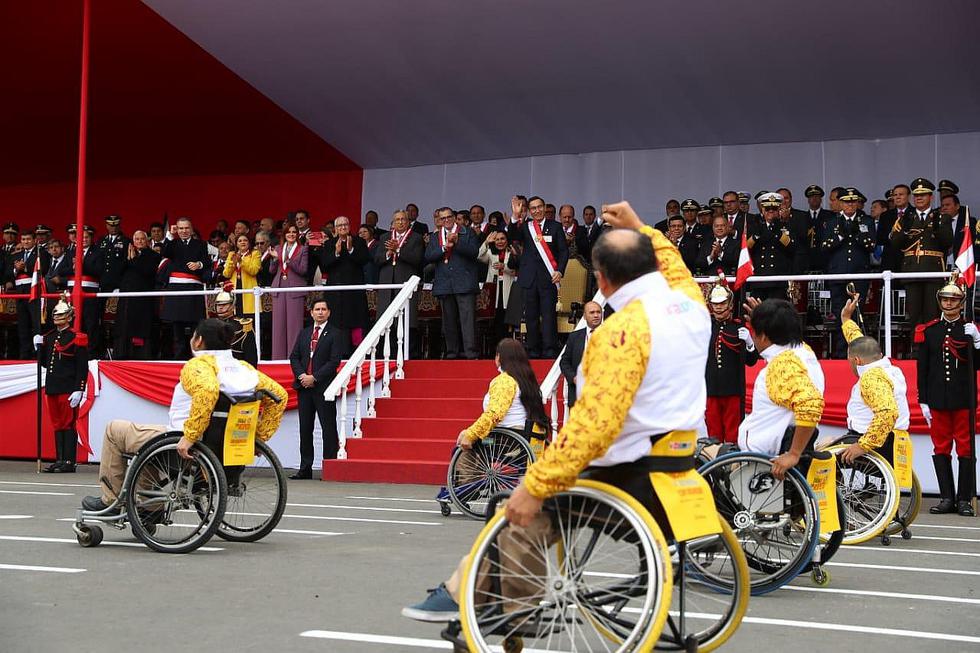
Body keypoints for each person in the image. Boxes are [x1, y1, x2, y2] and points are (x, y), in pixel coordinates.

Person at [402, 200, 715, 622]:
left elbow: (593, 425)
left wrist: (535, 484)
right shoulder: (692, 306)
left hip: (629, 468)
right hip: (679, 457)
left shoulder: (619, 332)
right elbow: (674, 265)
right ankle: (482, 592)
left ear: (601, 281)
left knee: (519, 508)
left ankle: (493, 599)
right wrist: (642, 227)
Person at [80, 318, 287, 512]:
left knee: (114, 430)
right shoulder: (244, 369)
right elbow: (279, 395)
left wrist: (190, 436)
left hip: (185, 444)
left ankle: (111, 500)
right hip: (226, 445)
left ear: (198, 341)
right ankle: (148, 507)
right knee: (146, 443)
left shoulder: (198, 366)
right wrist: (257, 437)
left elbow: (207, 391)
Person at [736, 298, 824, 477]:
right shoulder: (803, 352)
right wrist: (767, 318)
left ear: (763, 336)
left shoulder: (783, 365)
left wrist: (793, 454)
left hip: (763, 458)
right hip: (770, 448)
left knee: (704, 451)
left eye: (755, 333)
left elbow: (811, 404)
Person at [448, 338, 551, 487]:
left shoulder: (505, 381)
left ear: (500, 357)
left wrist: (470, 434)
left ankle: (464, 487)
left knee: (464, 444)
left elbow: (494, 414)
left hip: (504, 440)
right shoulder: (528, 381)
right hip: (524, 437)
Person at [915, 275, 977, 516]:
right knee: (941, 447)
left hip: (963, 398)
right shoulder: (930, 331)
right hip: (938, 398)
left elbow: (976, 365)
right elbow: (924, 368)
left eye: (953, 300)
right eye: (945, 299)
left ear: (962, 303)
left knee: (965, 448)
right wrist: (923, 399)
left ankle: (964, 499)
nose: (949, 304)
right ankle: (946, 497)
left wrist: (978, 342)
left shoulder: (968, 329)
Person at [835, 295, 910, 466]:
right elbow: (858, 341)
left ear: (857, 361)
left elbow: (887, 412)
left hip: (877, 443)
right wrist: (846, 319)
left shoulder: (872, 378)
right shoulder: (890, 368)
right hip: (892, 438)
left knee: (819, 456)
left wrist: (863, 445)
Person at [289, 299, 347, 478]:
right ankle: (305, 469)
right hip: (304, 387)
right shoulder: (305, 333)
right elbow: (294, 357)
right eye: (317, 309)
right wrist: (302, 377)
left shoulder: (336, 334)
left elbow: (334, 362)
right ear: (311, 312)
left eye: (323, 309)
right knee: (305, 429)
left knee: (328, 427)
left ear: (329, 312)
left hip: (323, 388)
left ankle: (329, 468)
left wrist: (314, 377)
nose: (320, 312)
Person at [507, 195, 568, 358]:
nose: (537, 210)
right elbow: (512, 236)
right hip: (529, 279)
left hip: (548, 278)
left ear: (544, 207)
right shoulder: (526, 227)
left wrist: (560, 271)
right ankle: (532, 350)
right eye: (533, 208)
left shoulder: (555, 227)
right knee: (531, 316)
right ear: (529, 210)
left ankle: (549, 350)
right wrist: (515, 216)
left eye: (539, 207)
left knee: (548, 316)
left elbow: (563, 251)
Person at [890, 178, 953, 330]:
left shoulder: (941, 217)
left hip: (933, 270)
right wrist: (905, 230)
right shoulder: (905, 218)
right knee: (914, 316)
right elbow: (894, 244)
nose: (919, 198)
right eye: (916, 195)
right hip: (912, 271)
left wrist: (937, 227)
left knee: (932, 315)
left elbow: (948, 242)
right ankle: (917, 351)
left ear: (930, 197)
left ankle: (932, 351)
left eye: (923, 194)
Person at [37, 294, 89, 473]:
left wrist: (79, 389)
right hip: (53, 387)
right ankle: (59, 459)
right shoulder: (50, 337)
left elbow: (82, 366)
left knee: (68, 424)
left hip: (68, 387)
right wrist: (39, 348)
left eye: (60, 315)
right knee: (57, 424)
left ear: (69, 317)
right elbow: (46, 363)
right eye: (55, 316)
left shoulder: (77, 337)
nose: (56, 319)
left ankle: (69, 461)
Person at [821, 187, 875, 358]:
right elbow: (824, 247)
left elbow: (871, 245)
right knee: (839, 314)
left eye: (853, 202)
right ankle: (841, 353)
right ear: (840, 203)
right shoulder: (831, 222)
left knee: (858, 315)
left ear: (857, 203)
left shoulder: (866, 221)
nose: (850, 205)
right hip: (838, 275)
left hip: (859, 274)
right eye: (846, 202)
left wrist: (856, 233)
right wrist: (840, 237)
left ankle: (858, 353)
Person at [704, 277, 758, 444]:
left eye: (722, 303)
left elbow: (751, 361)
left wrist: (749, 343)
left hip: (733, 390)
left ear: (730, 305)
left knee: (733, 434)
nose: (719, 307)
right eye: (715, 304)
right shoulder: (705, 327)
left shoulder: (738, 327)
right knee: (713, 434)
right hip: (711, 389)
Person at [426, 206, 480, 359]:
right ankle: (451, 353)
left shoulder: (467, 231)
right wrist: (444, 247)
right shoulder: (436, 236)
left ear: (454, 217)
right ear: (439, 220)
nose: (446, 220)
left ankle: (470, 353)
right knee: (448, 321)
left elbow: (474, 253)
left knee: (467, 320)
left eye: (449, 217)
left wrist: (457, 243)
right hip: (444, 283)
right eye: (442, 218)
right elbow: (428, 256)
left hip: (464, 282)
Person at [375, 210, 425, 357]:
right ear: (393, 222)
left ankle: (409, 356)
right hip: (387, 286)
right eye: (397, 220)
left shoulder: (416, 238)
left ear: (408, 221)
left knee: (407, 322)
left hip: (405, 285)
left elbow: (417, 260)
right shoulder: (385, 237)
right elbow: (377, 260)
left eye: (403, 219)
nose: (401, 222)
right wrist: (388, 254)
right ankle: (388, 356)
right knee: (387, 321)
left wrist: (399, 251)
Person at [160, 217, 209, 360]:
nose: (184, 231)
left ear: (191, 229)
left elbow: (206, 261)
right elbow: (165, 252)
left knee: (195, 325)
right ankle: (178, 358)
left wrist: (198, 264)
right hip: (177, 289)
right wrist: (169, 235)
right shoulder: (173, 243)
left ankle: (197, 356)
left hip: (193, 288)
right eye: (180, 228)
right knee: (177, 327)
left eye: (186, 228)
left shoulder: (200, 244)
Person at [320, 216, 371, 345]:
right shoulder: (329, 244)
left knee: (356, 323)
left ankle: (356, 354)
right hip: (336, 293)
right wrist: (336, 253)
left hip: (354, 293)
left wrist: (350, 250)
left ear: (349, 226)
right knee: (337, 324)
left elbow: (365, 260)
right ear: (336, 229)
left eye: (345, 225)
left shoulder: (358, 242)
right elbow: (324, 265)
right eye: (340, 226)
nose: (343, 227)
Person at [114, 230, 161, 359]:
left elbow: (147, 271)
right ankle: (122, 354)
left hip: (143, 299)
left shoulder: (153, 255)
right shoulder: (126, 254)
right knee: (123, 326)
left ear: (147, 241)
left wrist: (134, 259)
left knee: (141, 328)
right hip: (126, 298)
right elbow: (117, 271)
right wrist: (127, 258)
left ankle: (140, 355)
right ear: (133, 241)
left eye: (142, 239)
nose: (139, 241)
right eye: (137, 239)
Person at [269, 221, 308, 360]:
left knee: (294, 327)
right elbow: (271, 270)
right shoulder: (278, 248)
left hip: (295, 289)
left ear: (297, 235)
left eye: (294, 232)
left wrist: (287, 260)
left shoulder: (303, 249)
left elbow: (303, 270)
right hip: (279, 288)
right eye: (288, 232)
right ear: (284, 234)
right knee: (278, 327)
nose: (291, 234)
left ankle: (294, 359)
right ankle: (278, 359)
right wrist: (274, 259)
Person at [9, 228, 50, 359]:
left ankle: (39, 356)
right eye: (23, 239)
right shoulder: (16, 255)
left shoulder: (41, 253)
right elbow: (6, 273)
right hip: (20, 294)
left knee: (37, 325)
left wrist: (24, 268)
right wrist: (15, 270)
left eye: (28, 239)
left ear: (34, 241)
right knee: (23, 326)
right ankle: (24, 356)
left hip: (34, 293)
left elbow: (43, 267)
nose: (25, 242)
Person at [747, 192, 794, 301]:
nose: (771, 212)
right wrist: (756, 235)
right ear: (763, 211)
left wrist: (777, 231)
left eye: (774, 209)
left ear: (779, 211)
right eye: (768, 209)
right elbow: (747, 248)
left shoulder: (785, 225)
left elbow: (791, 247)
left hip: (777, 279)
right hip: (759, 278)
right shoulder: (755, 225)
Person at [478, 230, 519, 350]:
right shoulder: (490, 252)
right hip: (493, 289)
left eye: (502, 239)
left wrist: (504, 267)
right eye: (497, 239)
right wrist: (486, 242)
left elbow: (515, 270)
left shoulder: (511, 252)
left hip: (508, 288)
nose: (500, 242)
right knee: (495, 320)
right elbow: (479, 256)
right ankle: (496, 349)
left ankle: (508, 348)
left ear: (507, 240)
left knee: (507, 319)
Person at [557, 300, 603, 407]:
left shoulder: (612, 335)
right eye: (592, 313)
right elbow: (564, 362)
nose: (596, 315)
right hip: (579, 395)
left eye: (598, 312)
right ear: (585, 316)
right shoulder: (574, 336)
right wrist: (574, 378)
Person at [213, 283, 258, 367]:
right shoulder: (212, 325)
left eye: (224, 304)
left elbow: (251, 359)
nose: (220, 307)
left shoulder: (243, 326)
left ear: (233, 306)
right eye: (218, 305)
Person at [222, 233, 261, 318]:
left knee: (249, 318)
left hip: (248, 289)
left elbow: (254, 270)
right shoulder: (231, 254)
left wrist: (241, 262)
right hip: (235, 287)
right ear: (236, 244)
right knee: (236, 316)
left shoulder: (255, 253)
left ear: (249, 243)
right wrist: (233, 262)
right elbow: (226, 274)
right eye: (240, 241)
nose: (242, 242)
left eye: (245, 240)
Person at [804, 185, 836, 272]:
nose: (814, 199)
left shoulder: (830, 216)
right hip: (807, 261)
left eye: (817, 196)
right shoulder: (802, 217)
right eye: (811, 197)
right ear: (808, 200)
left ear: (821, 199)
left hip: (825, 259)